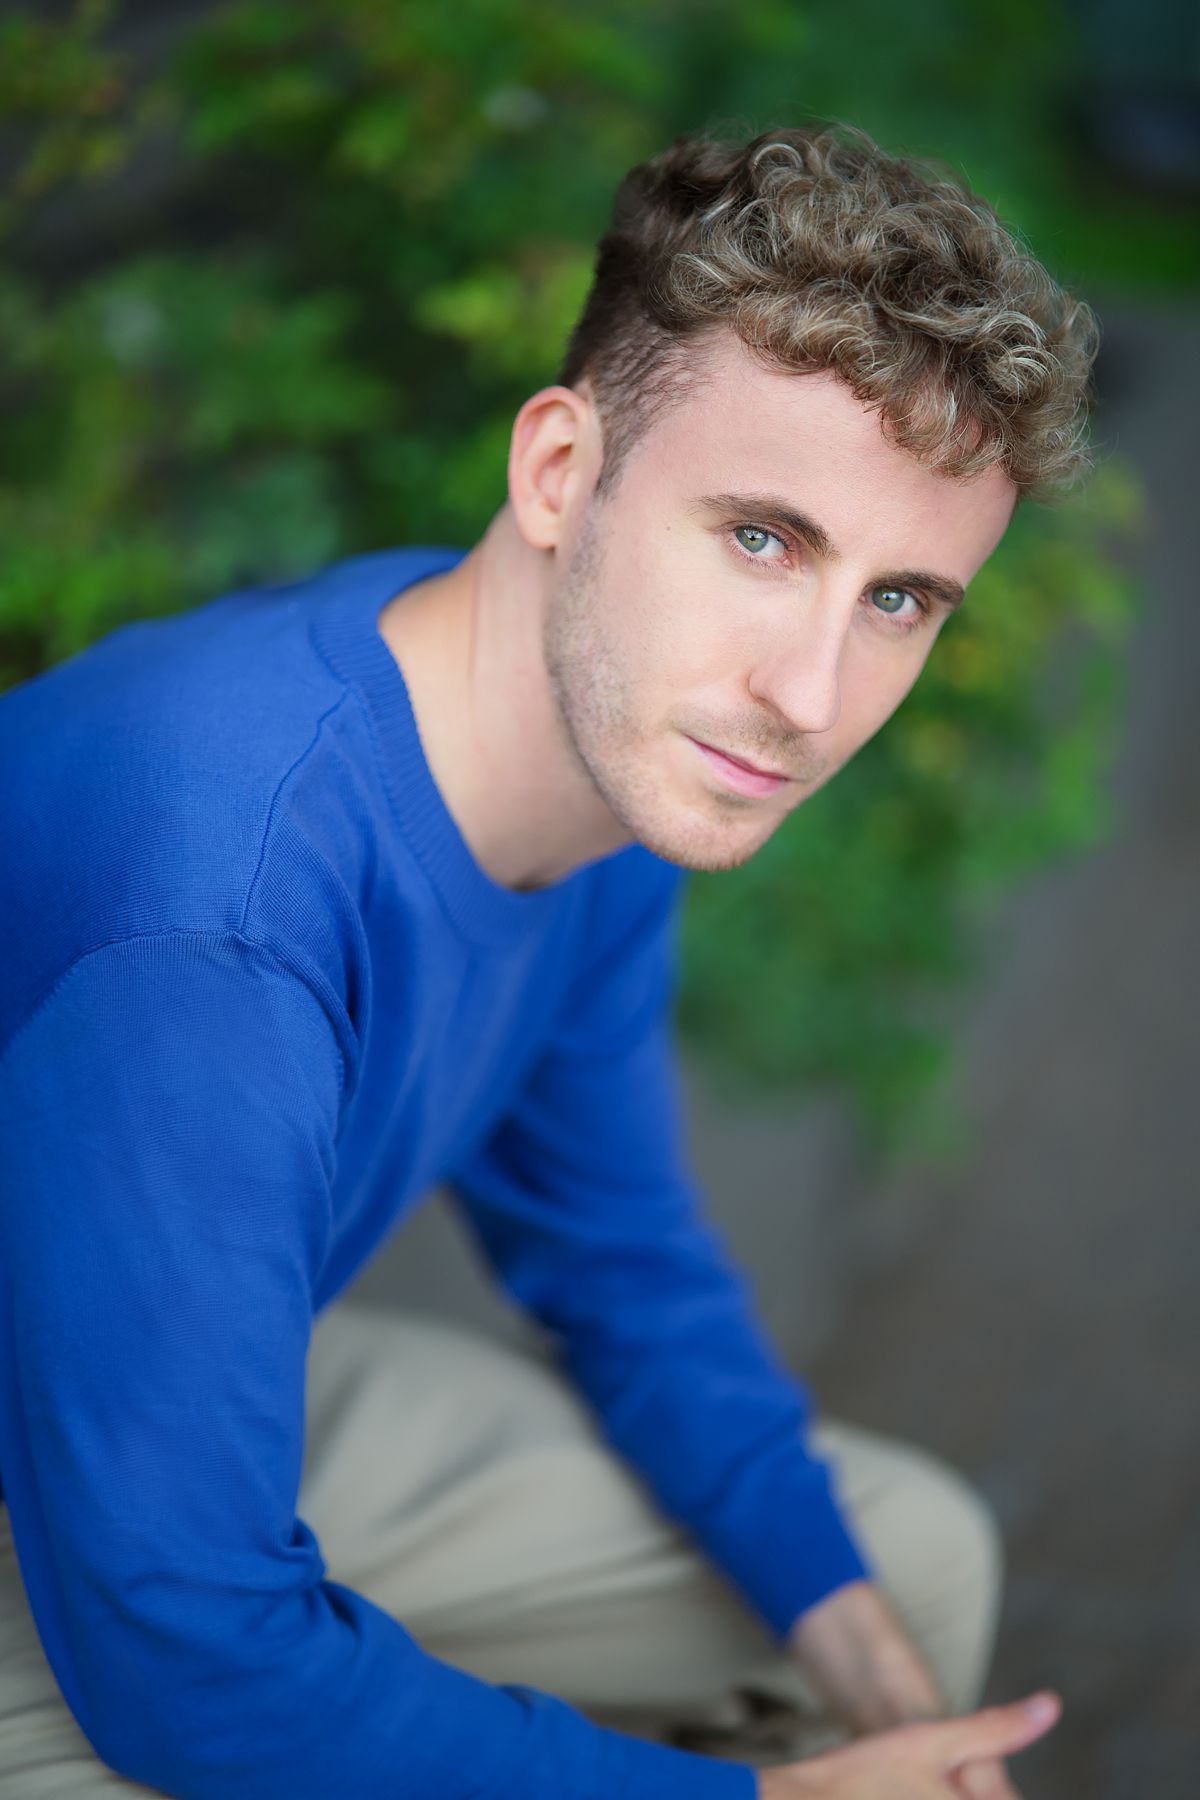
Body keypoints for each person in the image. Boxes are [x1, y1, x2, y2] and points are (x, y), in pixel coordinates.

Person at [0, 121, 1095, 1799]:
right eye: (764, 538)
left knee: (913, 1575)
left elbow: (617, 1261)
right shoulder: (220, 922)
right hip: (94, 1517)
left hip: (134, 1379)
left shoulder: (604, 754)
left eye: (899, 601)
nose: (809, 700)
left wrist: (882, 1702)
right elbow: (188, 1668)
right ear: (561, 472)